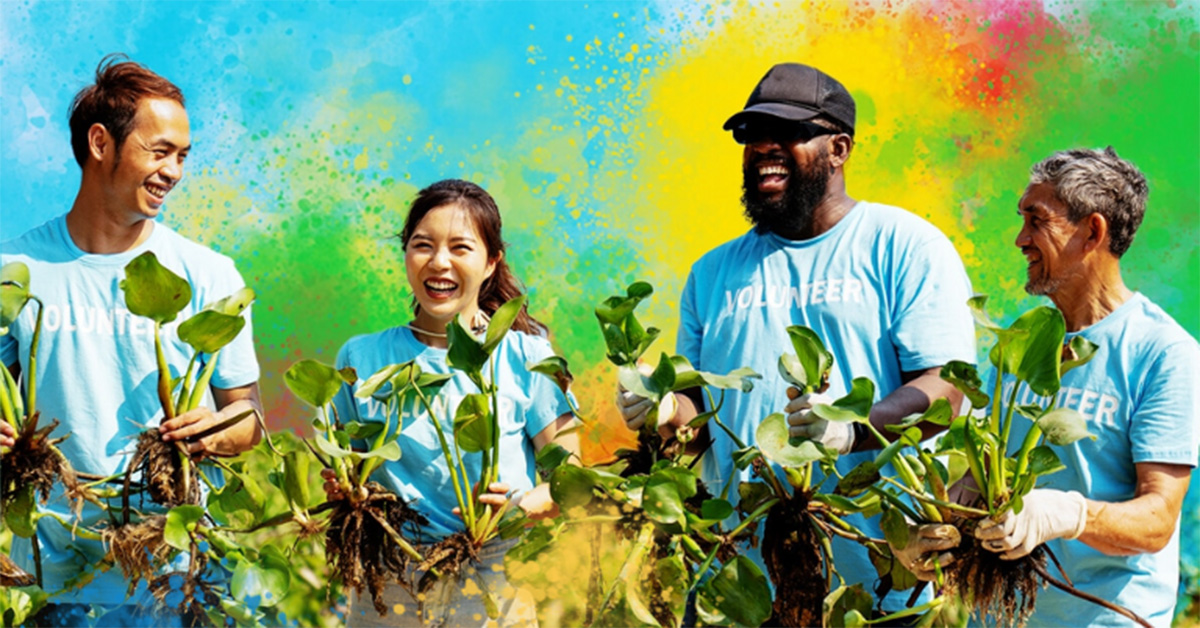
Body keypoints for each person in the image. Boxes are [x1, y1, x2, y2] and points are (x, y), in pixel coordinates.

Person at [617, 62, 976, 615]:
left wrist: (852, 428)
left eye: (787, 133)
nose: (763, 147)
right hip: (741, 586)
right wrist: (665, 410)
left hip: (878, 581)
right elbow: (699, 414)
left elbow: (946, 389)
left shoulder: (903, 245)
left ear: (839, 148)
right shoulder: (712, 273)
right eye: (751, 136)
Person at [0, 54, 262, 625]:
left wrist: (220, 433)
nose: (174, 171)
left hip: (176, 573)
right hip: (55, 571)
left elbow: (248, 420)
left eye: (183, 156)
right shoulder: (15, 270)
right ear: (100, 143)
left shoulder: (210, 274)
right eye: (160, 151)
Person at [324, 179, 579, 627]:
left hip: (495, 580)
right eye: (423, 245)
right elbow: (349, 465)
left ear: (491, 262)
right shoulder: (360, 358)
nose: (439, 262)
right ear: (406, 253)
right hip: (388, 586)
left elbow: (573, 480)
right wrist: (346, 490)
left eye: (461, 248)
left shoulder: (529, 356)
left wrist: (523, 504)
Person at [971, 148, 1199, 627]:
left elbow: (1157, 520)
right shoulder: (1022, 342)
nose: (1020, 239)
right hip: (1005, 618)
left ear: (1092, 231)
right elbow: (977, 482)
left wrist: (1069, 514)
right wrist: (937, 526)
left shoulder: (1162, 352)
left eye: (1037, 221)